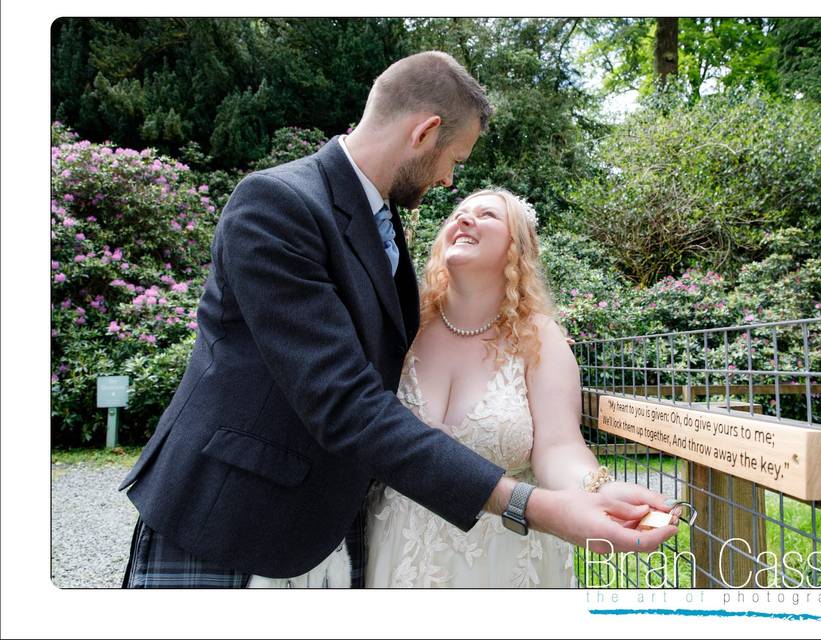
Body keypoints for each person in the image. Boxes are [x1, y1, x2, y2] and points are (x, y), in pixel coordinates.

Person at [119, 50, 677, 589]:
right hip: (232, 516)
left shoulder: (382, 224)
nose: (449, 184)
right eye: (453, 160)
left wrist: (592, 488)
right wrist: (532, 506)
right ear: (424, 132)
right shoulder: (278, 204)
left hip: (336, 532)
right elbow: (345, 401)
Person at [365, 189, 676, 587]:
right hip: (394, 551)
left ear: (517, 246)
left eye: (487, 214)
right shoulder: (402, 326)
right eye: (458, 213)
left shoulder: (538, 339)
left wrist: (599, 488)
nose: (463, 219)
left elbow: (559, 446)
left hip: (498, 561)